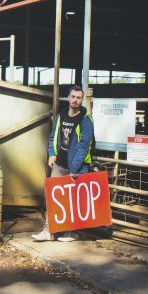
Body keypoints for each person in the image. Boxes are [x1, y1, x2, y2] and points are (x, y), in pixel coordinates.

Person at [32, 85, 94, 242]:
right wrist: (52, 154)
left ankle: (72, 233)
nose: (75, 100)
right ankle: (49, 231)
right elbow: (53, 136)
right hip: (59, 165)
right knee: (53, 198)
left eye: (79, 97)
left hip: (78, 167)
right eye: (73, 97)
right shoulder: (60, 116)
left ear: (81, 100)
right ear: (68, 98)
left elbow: (83, 147)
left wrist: (74, 169)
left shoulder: (86, 120)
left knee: (75, 200)